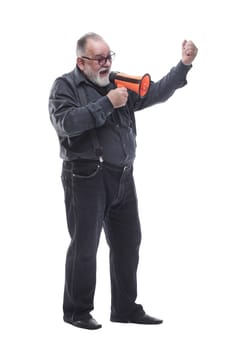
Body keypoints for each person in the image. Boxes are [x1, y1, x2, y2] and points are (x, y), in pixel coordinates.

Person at [48, 32, 198, 330]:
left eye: (109, 57)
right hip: (85, 178)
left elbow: (154, 92)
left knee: (128, 244)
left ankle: (125, 308)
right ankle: (76, 311)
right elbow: (67, 124)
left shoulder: (118, 81)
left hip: (122, 177)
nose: (106, 63)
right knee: (85, 246)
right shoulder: (64, 87)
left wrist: (183, 65)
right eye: (99, 59)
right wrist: (107, 104)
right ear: (81, 61)